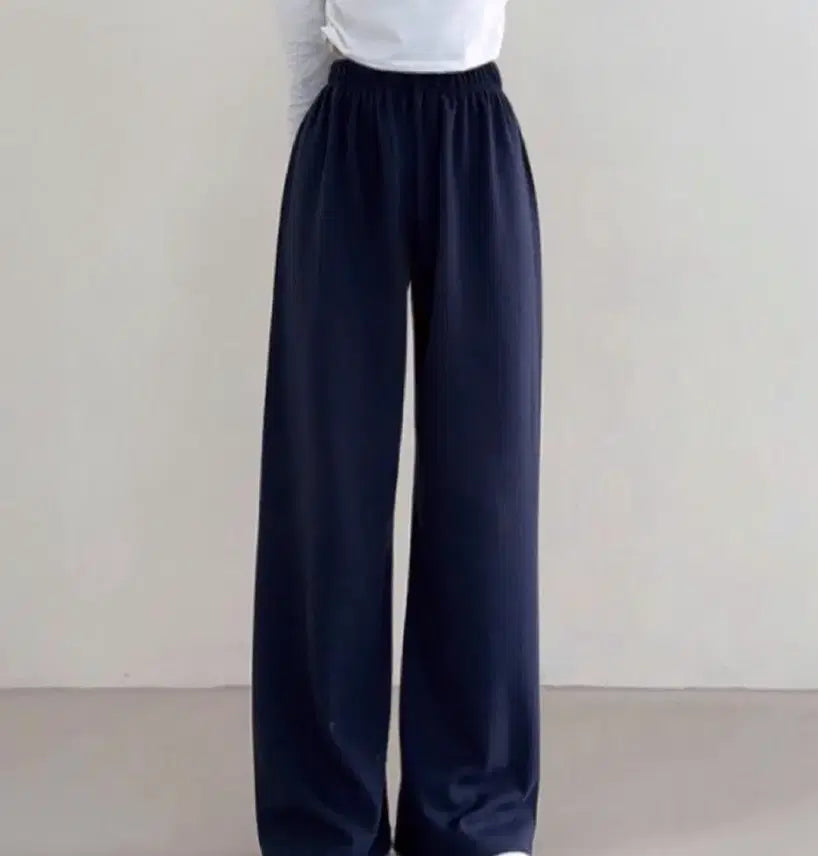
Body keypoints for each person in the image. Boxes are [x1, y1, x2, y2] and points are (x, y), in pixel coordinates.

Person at [252, 2, 542, 855]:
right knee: (328, 491)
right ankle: (323, 821)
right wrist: (317, 144)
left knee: (486, 489)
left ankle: (473, 816)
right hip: (348, 133)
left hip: (475, 129)